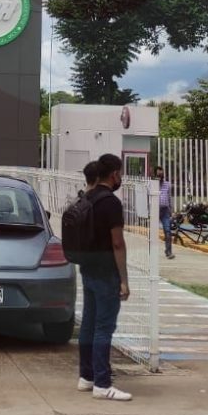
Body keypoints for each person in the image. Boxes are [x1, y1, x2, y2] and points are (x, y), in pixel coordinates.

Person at [77, 153, 134, 401]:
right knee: (103, 328)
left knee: (88, 325)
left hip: (88, 268)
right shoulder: (111, 203)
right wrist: (124, 279)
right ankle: (102, 383)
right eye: (120, 174)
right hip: (106, 272)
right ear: (114, 174)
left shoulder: (87, 198)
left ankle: (86, 376)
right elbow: (117, 243)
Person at [155, 166, 174, 259]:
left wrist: (171, 210)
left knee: (167, 231)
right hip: (155, 210)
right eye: (158, 174)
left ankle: (168, 252)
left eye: (161, 173)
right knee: (153, 232)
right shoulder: (152, 184)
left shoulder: (167, 184)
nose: (160, 175)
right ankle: (152, 252)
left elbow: (169, 197)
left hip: (165, 210)